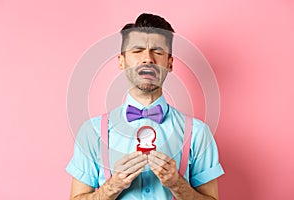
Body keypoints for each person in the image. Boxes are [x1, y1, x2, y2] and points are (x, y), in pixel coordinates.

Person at [66, 13, 224, 200]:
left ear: (170, 63)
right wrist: (113, 186)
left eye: (157, 51)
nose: (147, 59)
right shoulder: (92, 131)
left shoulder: (198, 133)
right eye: (137, 50)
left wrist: (177, 184)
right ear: (121, 61)